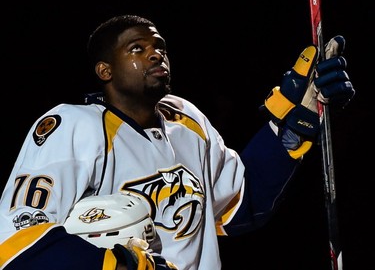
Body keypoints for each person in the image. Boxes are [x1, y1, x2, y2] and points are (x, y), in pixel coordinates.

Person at [0, 14, 354, 270]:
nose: (156, 55)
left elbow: (242, 205)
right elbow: (17, 239)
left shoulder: (185, 120)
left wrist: (293, 126)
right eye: (137, 49)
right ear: (105, 71)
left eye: (160, 47)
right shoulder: (72, 125)